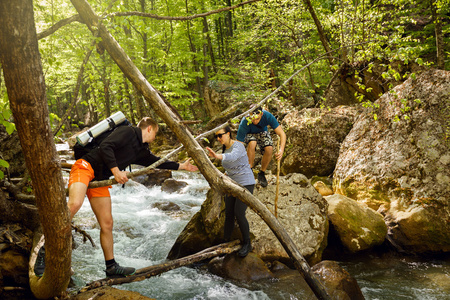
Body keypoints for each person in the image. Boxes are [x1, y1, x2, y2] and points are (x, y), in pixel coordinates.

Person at [34, 117, 198, 278]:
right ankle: (44, 250)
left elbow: (155, 162)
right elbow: (106, 146)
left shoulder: (141, 150)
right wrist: (116, 171)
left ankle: (111, 266)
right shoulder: (128, 132)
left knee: (107, 223)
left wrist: (181, 166)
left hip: (100, 180)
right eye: (155, 133)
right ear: (149, 128)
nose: (154, 138)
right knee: (74, 204)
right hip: (85, 167)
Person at [206, 126, 255, 257]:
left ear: (228, 134)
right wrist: (225, 174)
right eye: (216, 137)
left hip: (246, 183)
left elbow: (232, 157)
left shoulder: (238, 146)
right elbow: (232, 165)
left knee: (239, 213)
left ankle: (247, 244)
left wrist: (217, 156)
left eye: (220, 135)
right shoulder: (224, 148)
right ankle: (225, 242)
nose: (218, 138)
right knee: (228, 214)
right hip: (232, 184)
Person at [236, 106, 286, 187]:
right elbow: (238, 144)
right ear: (249, 115)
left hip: (262, 132)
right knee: (252, 142)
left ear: (261, 114)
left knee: (269, 148)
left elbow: (281, 133)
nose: (255, 121)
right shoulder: (244, 122)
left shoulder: (267, 116)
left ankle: (262, 173)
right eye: (253, 119)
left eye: (258, 119)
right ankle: (249, 170)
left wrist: (281, 149)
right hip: (249, 134)